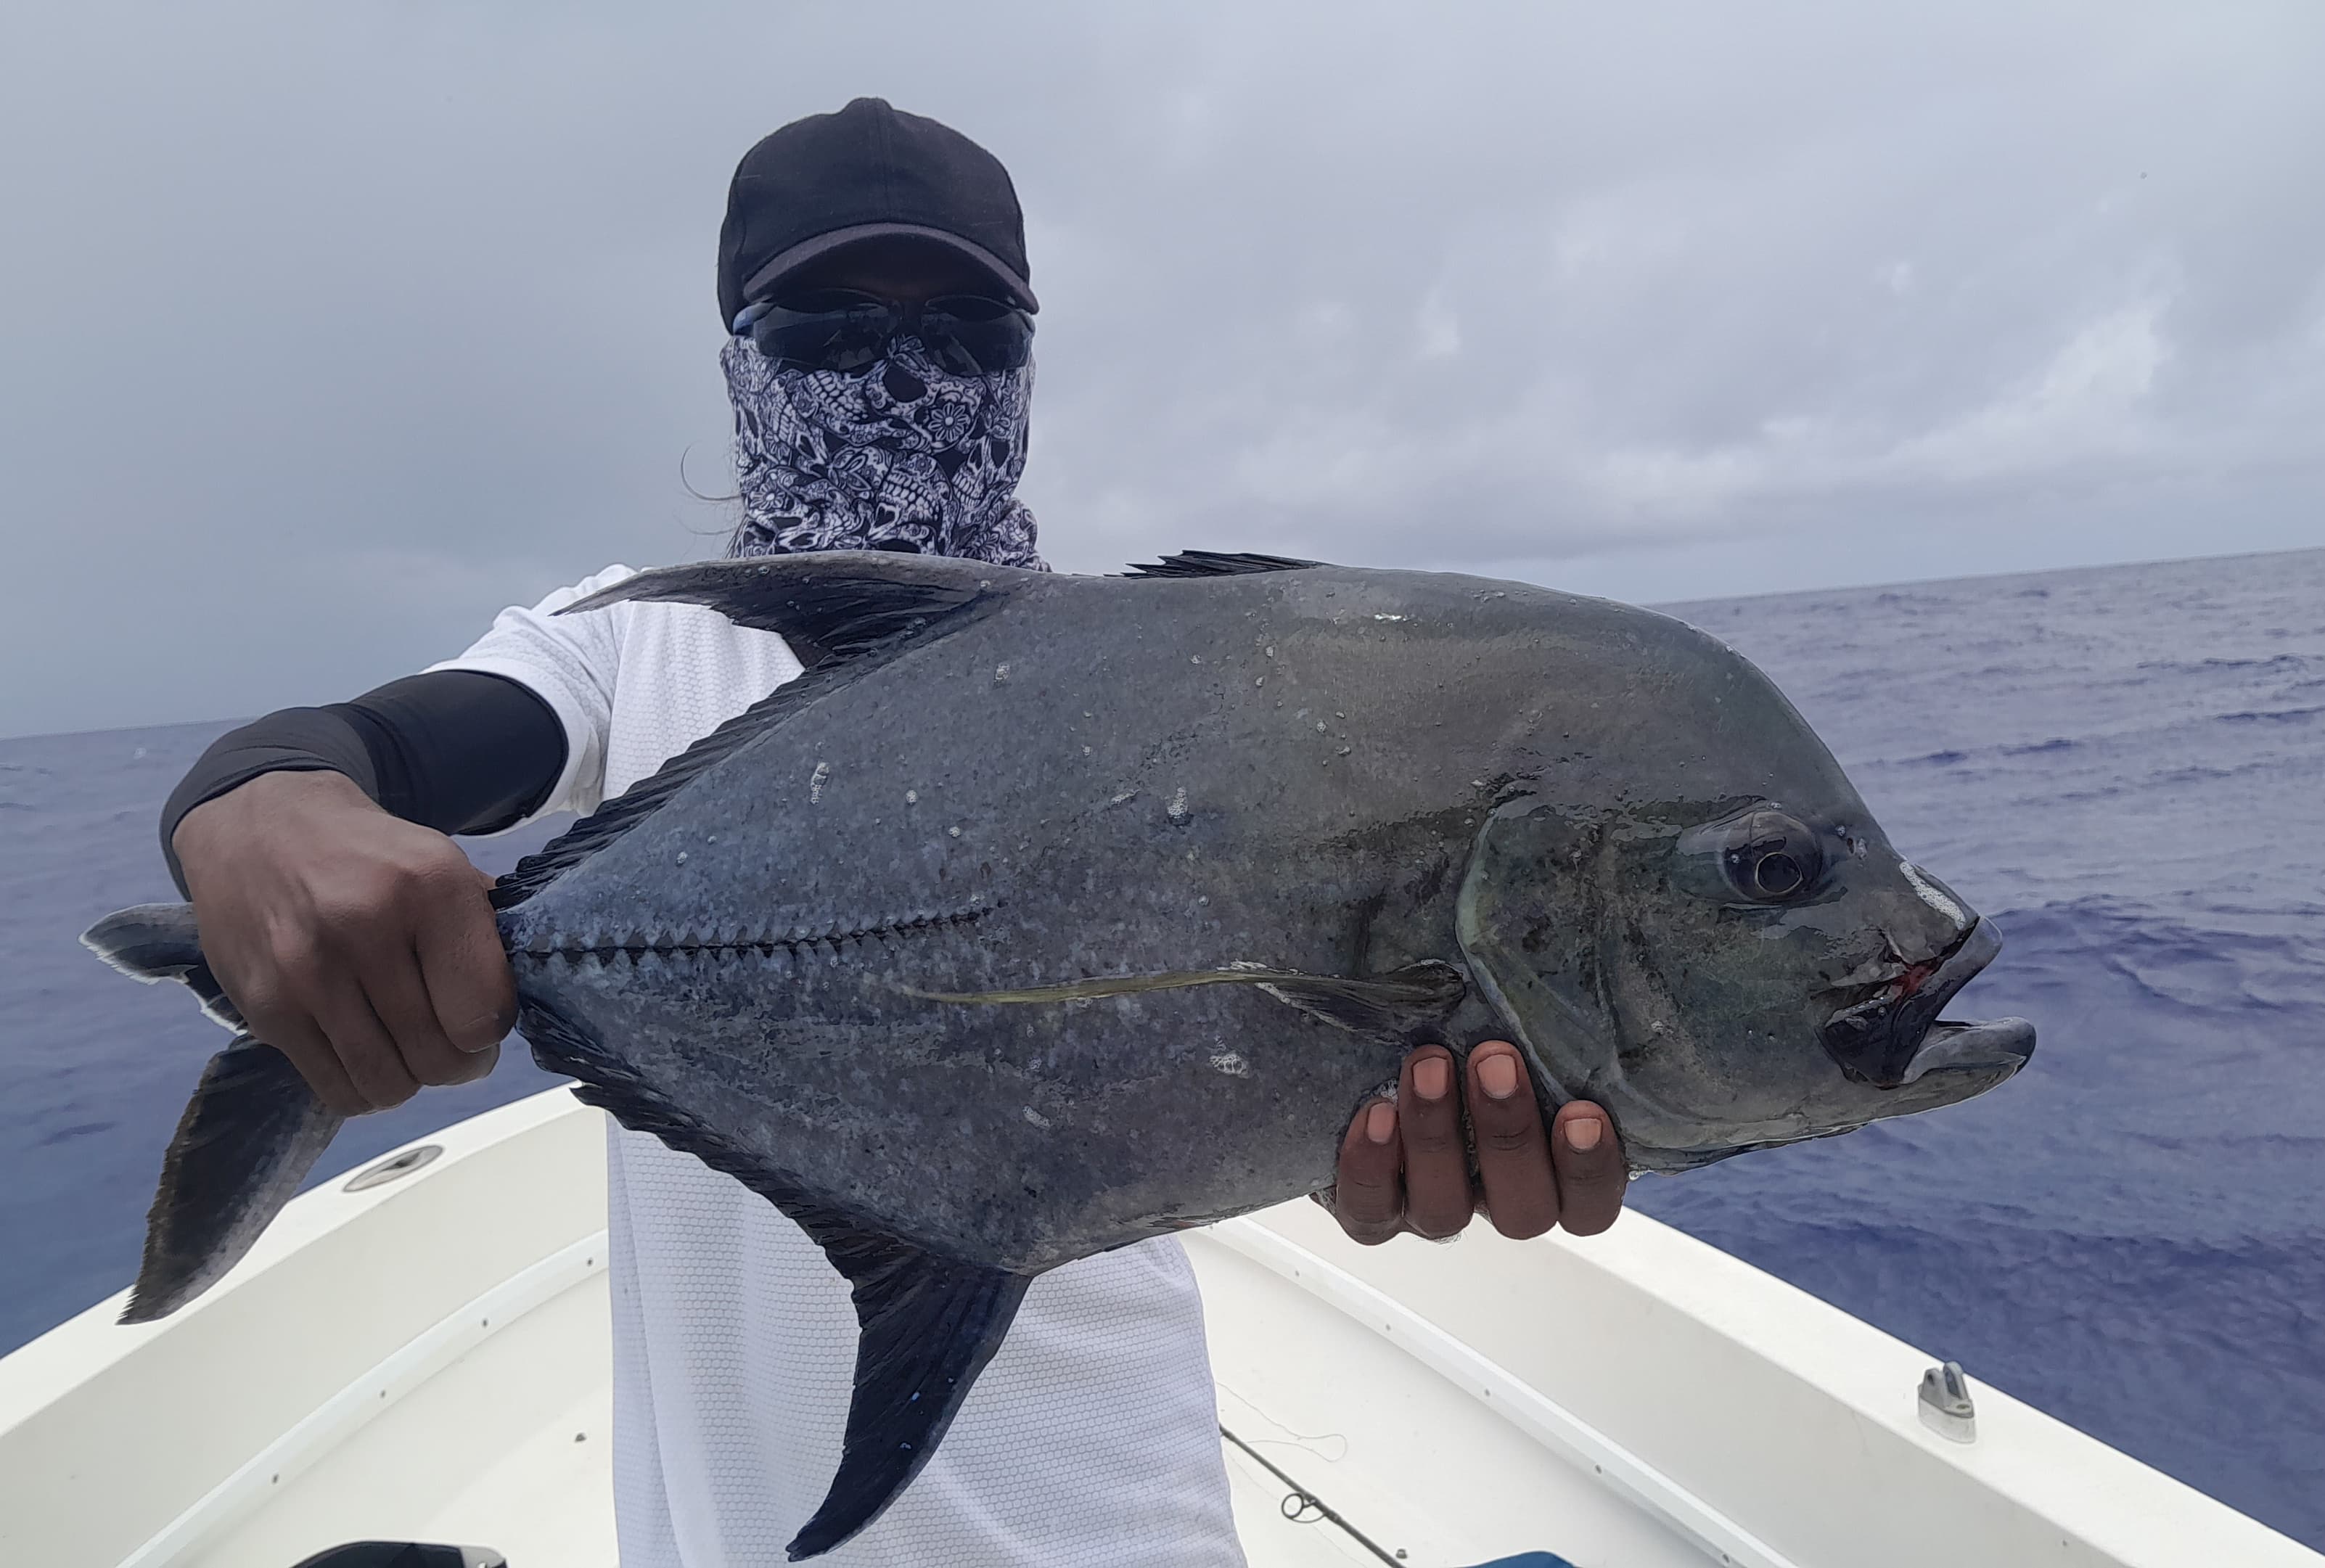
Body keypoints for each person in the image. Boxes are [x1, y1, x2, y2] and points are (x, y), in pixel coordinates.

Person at [160, 98, 1628, 1567]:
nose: (904, 370)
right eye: (828, 324)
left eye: (965, 325)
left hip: (1123, 1511)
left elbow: (1282, 1025)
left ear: (1027, 361)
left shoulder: (1166, 677)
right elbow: (384, 747)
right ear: (742, 357)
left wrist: (1378, 1127)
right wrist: (256, 802)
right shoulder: (630, 644)